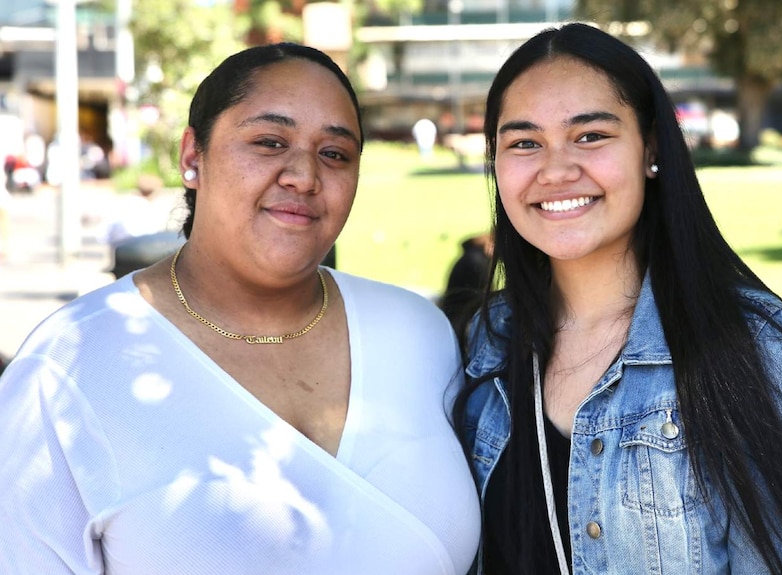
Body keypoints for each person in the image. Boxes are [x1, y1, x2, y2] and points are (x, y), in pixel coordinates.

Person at [0, 43, 480, 574]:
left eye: (335, 154)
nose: (304, 175)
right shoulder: (71, 363)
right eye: (269, 142)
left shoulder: (417, 334)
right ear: (192, 157)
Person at [454, 23, 782, 574]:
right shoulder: (484, 340)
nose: (557, 169)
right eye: (524, 142)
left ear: (651, 149)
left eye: (590, 136)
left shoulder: (752, 346)